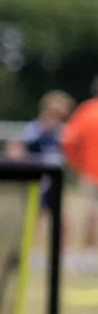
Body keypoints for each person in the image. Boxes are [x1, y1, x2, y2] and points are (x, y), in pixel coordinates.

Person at [60, 80, 98, 274]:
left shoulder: (87, 111)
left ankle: (87, 254)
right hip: (91, 170)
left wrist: (76, 163)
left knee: (89, 213)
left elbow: (69, 139)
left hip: (90, 172)